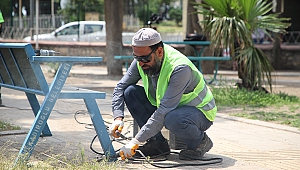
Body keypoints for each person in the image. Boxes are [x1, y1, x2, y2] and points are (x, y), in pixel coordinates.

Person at [109, 28, 217, 160]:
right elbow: (120, 87)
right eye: (137, 58)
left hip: (199, 112)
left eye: (144, 58)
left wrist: (136, 141)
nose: (141, 63)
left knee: (172, 118)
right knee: (130, 92)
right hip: (172, 109)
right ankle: (157, 145)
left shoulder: (179, 68)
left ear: (159, 51)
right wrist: (117, 118)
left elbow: (165, 109)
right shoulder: (141, 60)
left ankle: (200, 142)